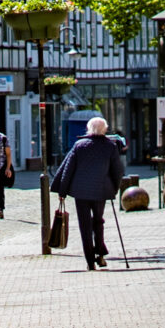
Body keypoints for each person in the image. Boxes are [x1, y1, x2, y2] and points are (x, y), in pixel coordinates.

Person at [52, 114, 130, 268]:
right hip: (101, 190)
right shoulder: (110, 146)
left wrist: (62, 191)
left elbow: (68, 169)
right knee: (98, 221)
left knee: (84, 225)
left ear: (89, 129)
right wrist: (113, 189)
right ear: (105, 129)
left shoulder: (79, 145)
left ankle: (90, 261)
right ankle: (100, 254)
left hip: (80, 191)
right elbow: (118, 171)